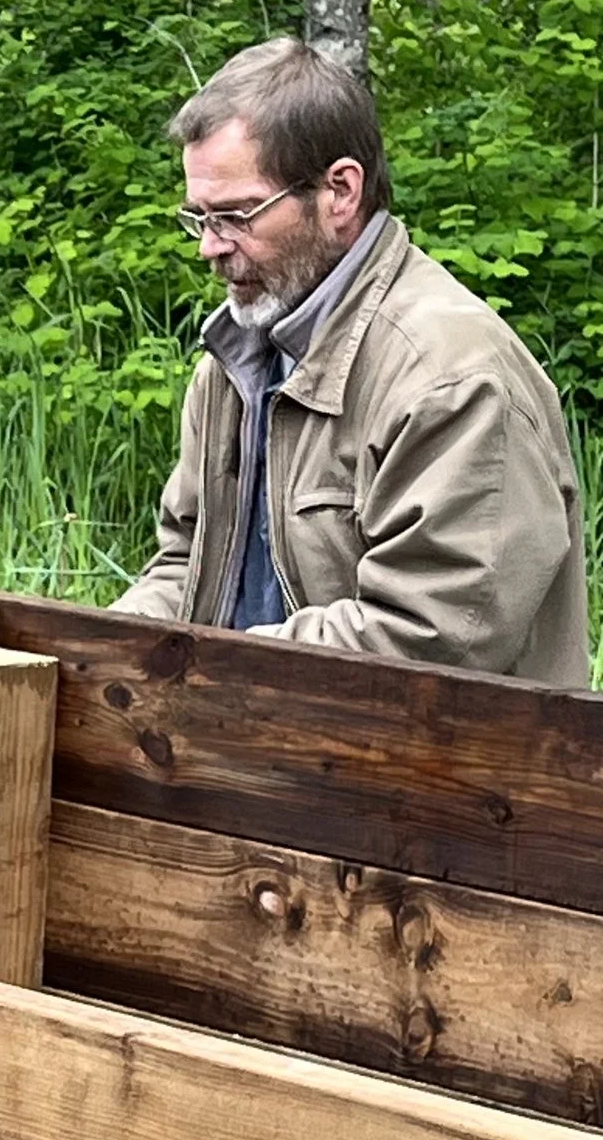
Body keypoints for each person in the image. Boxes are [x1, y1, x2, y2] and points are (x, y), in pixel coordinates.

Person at [116, 37, 589, 683]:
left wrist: (213, 672)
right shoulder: (235, 360)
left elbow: (433, 640)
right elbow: (183, 564)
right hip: (247, 747)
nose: (208, 246)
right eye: (197, 217)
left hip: (432, 772)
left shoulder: (451, 379)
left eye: (233, 216)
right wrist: (101, 652)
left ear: (340, 191)